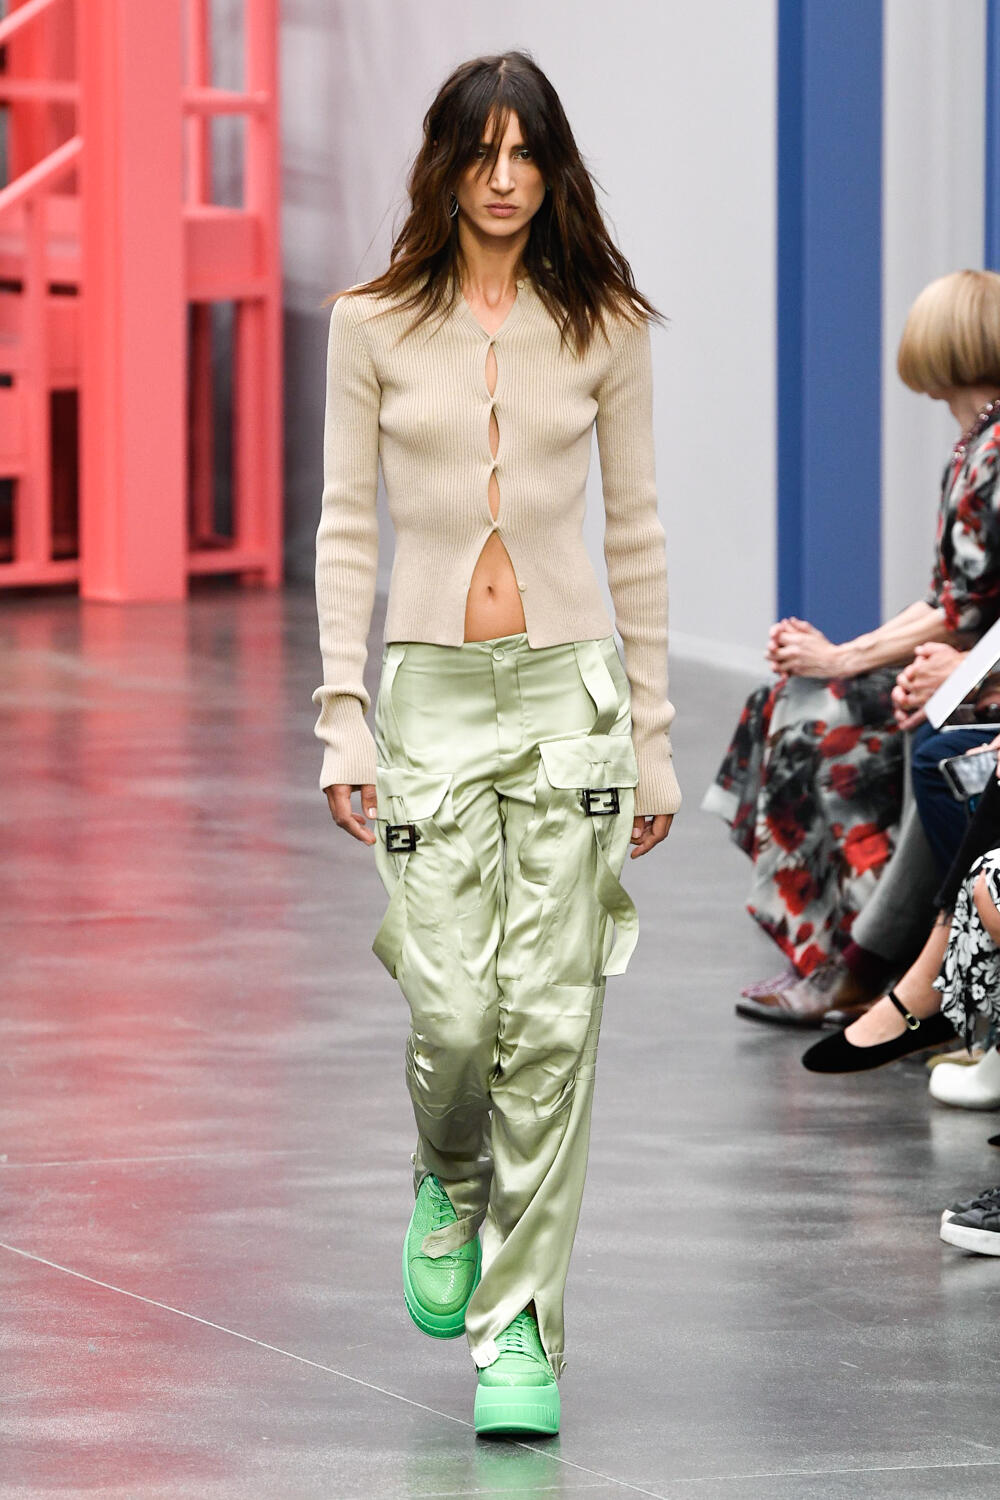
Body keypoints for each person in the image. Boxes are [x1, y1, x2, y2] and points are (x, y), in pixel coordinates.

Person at [311, 52, 679, 1437]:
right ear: (447, 164)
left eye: (528, 154)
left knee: (557, 1020)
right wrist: (341, 716)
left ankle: (519, 1328)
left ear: (555, 167)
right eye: (484, 153)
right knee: (456, 1014)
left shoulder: (605, 326)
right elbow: (346, 527)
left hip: (570, 698)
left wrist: (652, 739)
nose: (506, 179)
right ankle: (448, 1172)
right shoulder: (368, 325)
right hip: (430, 701)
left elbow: (636, 532)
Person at [703, 269, 1000, 1024]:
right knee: (792, 699)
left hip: (980, 676)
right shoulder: (976, 446)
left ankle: (864, 959)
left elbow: (964, 610)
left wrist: (848, 659)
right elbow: (952, 602)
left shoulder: (994, 450)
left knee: (833, 723)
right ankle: (840, 953)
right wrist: (850, 657)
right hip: (967, 666)